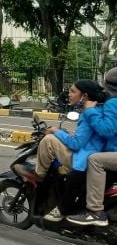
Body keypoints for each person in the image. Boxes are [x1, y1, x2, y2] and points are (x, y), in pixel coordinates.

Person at [13, 79, 107, 222]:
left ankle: (39, 175)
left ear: (85, 96)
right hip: (92, 153)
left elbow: (76, 144)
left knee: (48, 140)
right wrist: (67, 133)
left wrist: (56, 131)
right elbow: (85, 138)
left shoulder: (89, 113)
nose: (69, 94)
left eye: (73, 91)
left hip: (83, 158)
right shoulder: (97, 110)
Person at [67, 68, 117, 226]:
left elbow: (107, 130)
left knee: (94, 160)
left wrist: (89, 111)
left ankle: (96, 212)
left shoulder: (113, 102)